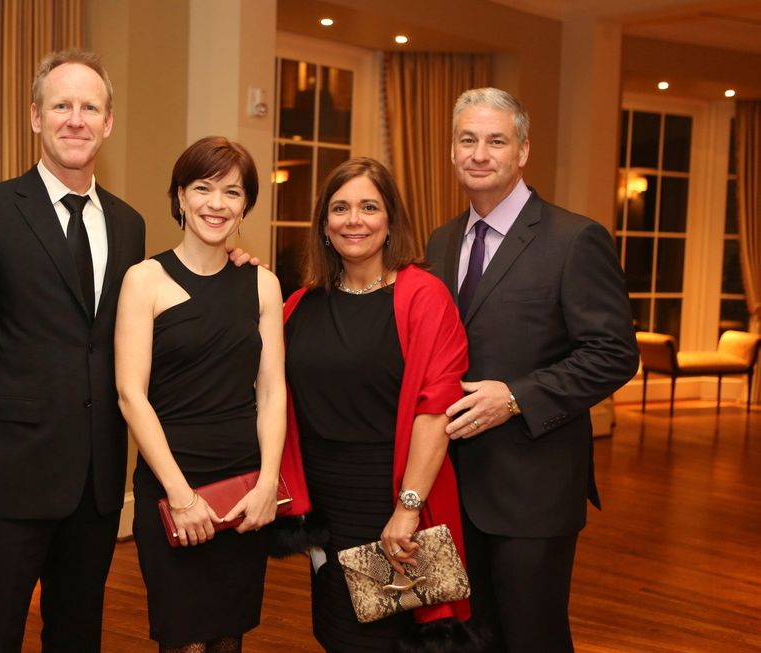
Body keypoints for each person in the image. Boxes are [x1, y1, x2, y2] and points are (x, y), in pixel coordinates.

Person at [0, 50, 146, 652]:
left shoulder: (129, 226)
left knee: (77, 634)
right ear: (34, 117)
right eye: (61, 105)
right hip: (8, 480)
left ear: (108, 124)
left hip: (96, 484)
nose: (75, 119)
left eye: (89, 107)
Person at [424, 88, 640, 652]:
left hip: (533, 486)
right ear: (451, 151)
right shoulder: (441, 240)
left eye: (496, 141)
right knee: (469, 638)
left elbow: (614, 353)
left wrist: (516, 397)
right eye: (467, 140)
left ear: (522, 151)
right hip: (449, 484)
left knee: (531, 637)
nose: (480, 153)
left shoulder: (574, 239)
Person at [279, 157, 476, 652]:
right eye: (340, 208)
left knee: (392, 640)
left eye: (370, 207)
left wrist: (407, 510)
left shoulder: (424, 296)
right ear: (324, 224)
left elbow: (436, 411)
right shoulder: (301, 304)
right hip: (325, 507)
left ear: (390, 220)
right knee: (337, 632)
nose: (354, 220)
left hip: (393, 503)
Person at [115, 136, 286, 653]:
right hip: (172, 486)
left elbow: (272, 391)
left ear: (245, 206)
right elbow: (130, 394)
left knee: (228, 636)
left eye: (232, 192)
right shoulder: (144, 279)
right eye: (203, 188)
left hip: (243, 489)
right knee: (182, 636)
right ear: (180, 197)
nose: (217, 203)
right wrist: (181, 495)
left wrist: (268, 484)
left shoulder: (263, 284)